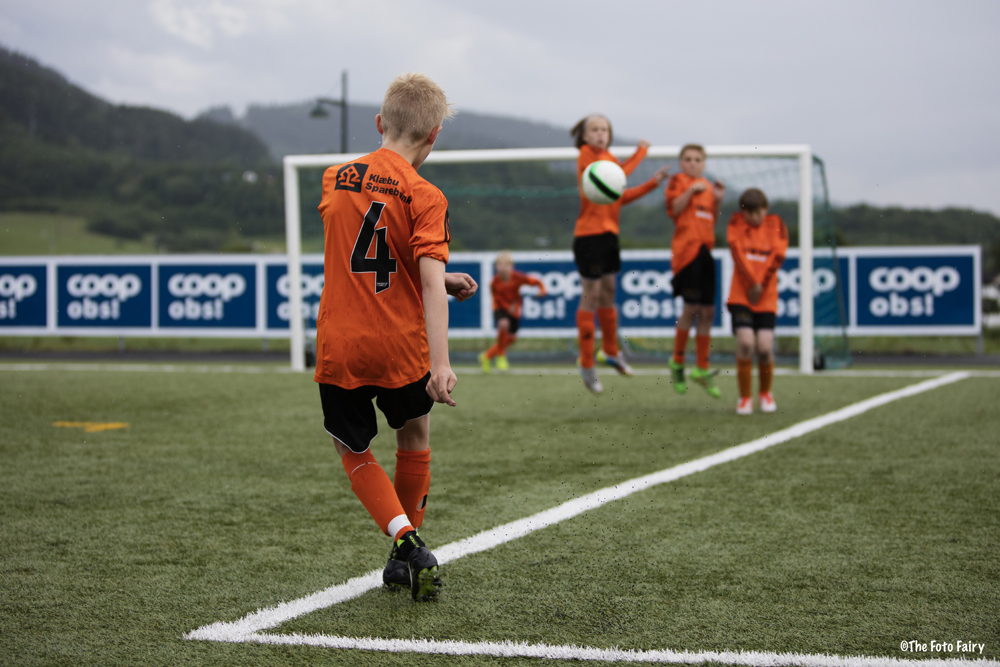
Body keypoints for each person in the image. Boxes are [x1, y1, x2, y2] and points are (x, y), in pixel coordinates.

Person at [313, 73, 478, 602]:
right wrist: (441, 363)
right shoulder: (427, 194)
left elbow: (365, 249)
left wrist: (425, 274)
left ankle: (405, 542)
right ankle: (402, 558)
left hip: (343, 344)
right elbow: (426, 280)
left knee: (352, 445)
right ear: (433, 137)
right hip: (402, 346)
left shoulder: (334, 177)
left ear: (380, 123)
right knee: (415, 438)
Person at [571, 114, 671, 394]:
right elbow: (615, 177)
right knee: (590, 294)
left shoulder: (610, 160)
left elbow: (620, 194)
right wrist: (641, 151)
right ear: (585, 135)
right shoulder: (586, 156)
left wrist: (652, 183)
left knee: (609, 290)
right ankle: (587, 362)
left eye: (605, 129)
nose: (601, 134)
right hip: (588, 236)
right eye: (595, 129)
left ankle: (611, 351)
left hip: (608, 236)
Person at [665, 144, 725, 398]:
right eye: (688, 159)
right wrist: (690, 189)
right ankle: (677, 361)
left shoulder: (709, 188)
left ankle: (702, 367)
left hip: (705, 252)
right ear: (681, 163)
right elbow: (675, 210)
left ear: (704, 164)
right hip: (686, 254)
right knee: (691, 309)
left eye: (697, 159)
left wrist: (719, 199)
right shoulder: (678, 182)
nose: (692, 163)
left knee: (708, 310)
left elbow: (711, 219)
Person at [726, 187, 788, 415]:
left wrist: (761, 284)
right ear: (742, 212)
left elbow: (778, 254)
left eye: (758, 212)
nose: (754, 217)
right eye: (749, 213)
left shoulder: (776, 224)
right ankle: (744, 398)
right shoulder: (735, 223)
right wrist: (752, 283)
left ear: (766, 209)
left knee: (764, 347)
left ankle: (765, 392)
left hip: (766, 296)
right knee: (745, 344)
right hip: (742, 295)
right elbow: (737, 252)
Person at [479, 251, 547, 373]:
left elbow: (536, 282)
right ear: (496, 267)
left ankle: (487, 356)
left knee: (511, 338)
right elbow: (497, 299)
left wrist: (542, 290)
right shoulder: (494, 282)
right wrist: (507, 306)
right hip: (500, 308)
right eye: (500, 265)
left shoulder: (518, 278)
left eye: (506, 265)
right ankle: (500, 355)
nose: (503, 268)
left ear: (511, 267)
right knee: (504, 324)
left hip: (514, 311)